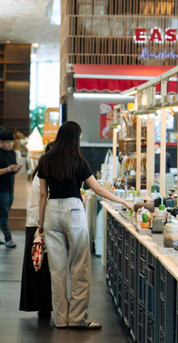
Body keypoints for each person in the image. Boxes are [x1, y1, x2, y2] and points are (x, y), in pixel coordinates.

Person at [37, 121, 132, 329]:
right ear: (75, 138)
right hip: (73, 210)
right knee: (80, 266)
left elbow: (43, 194)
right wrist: (124, 201)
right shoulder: (79, 161)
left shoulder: (45, 160)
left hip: (52, 210)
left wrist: (40, 224)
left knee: (57, 270)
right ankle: (77, 318)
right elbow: (98, 189)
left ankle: (61, 319)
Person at [19, 143, 54, 319]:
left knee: (37, 265)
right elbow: (44, 197)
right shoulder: (46, 174)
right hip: (39, 224)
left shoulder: (39, 172)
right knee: (41, 266)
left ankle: (42, 306)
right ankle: (44, 306)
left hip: (35, 223)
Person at [0, 129, 22, 248]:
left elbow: (11, 169)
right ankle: (8, 239)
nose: (10, 145)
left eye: (11, 142)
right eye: (7, 142)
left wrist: (16, 169)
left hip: (9, 187)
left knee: (4, 211)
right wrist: (8, 169)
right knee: (4, 213)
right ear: (1, 142)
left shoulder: (12, 153)